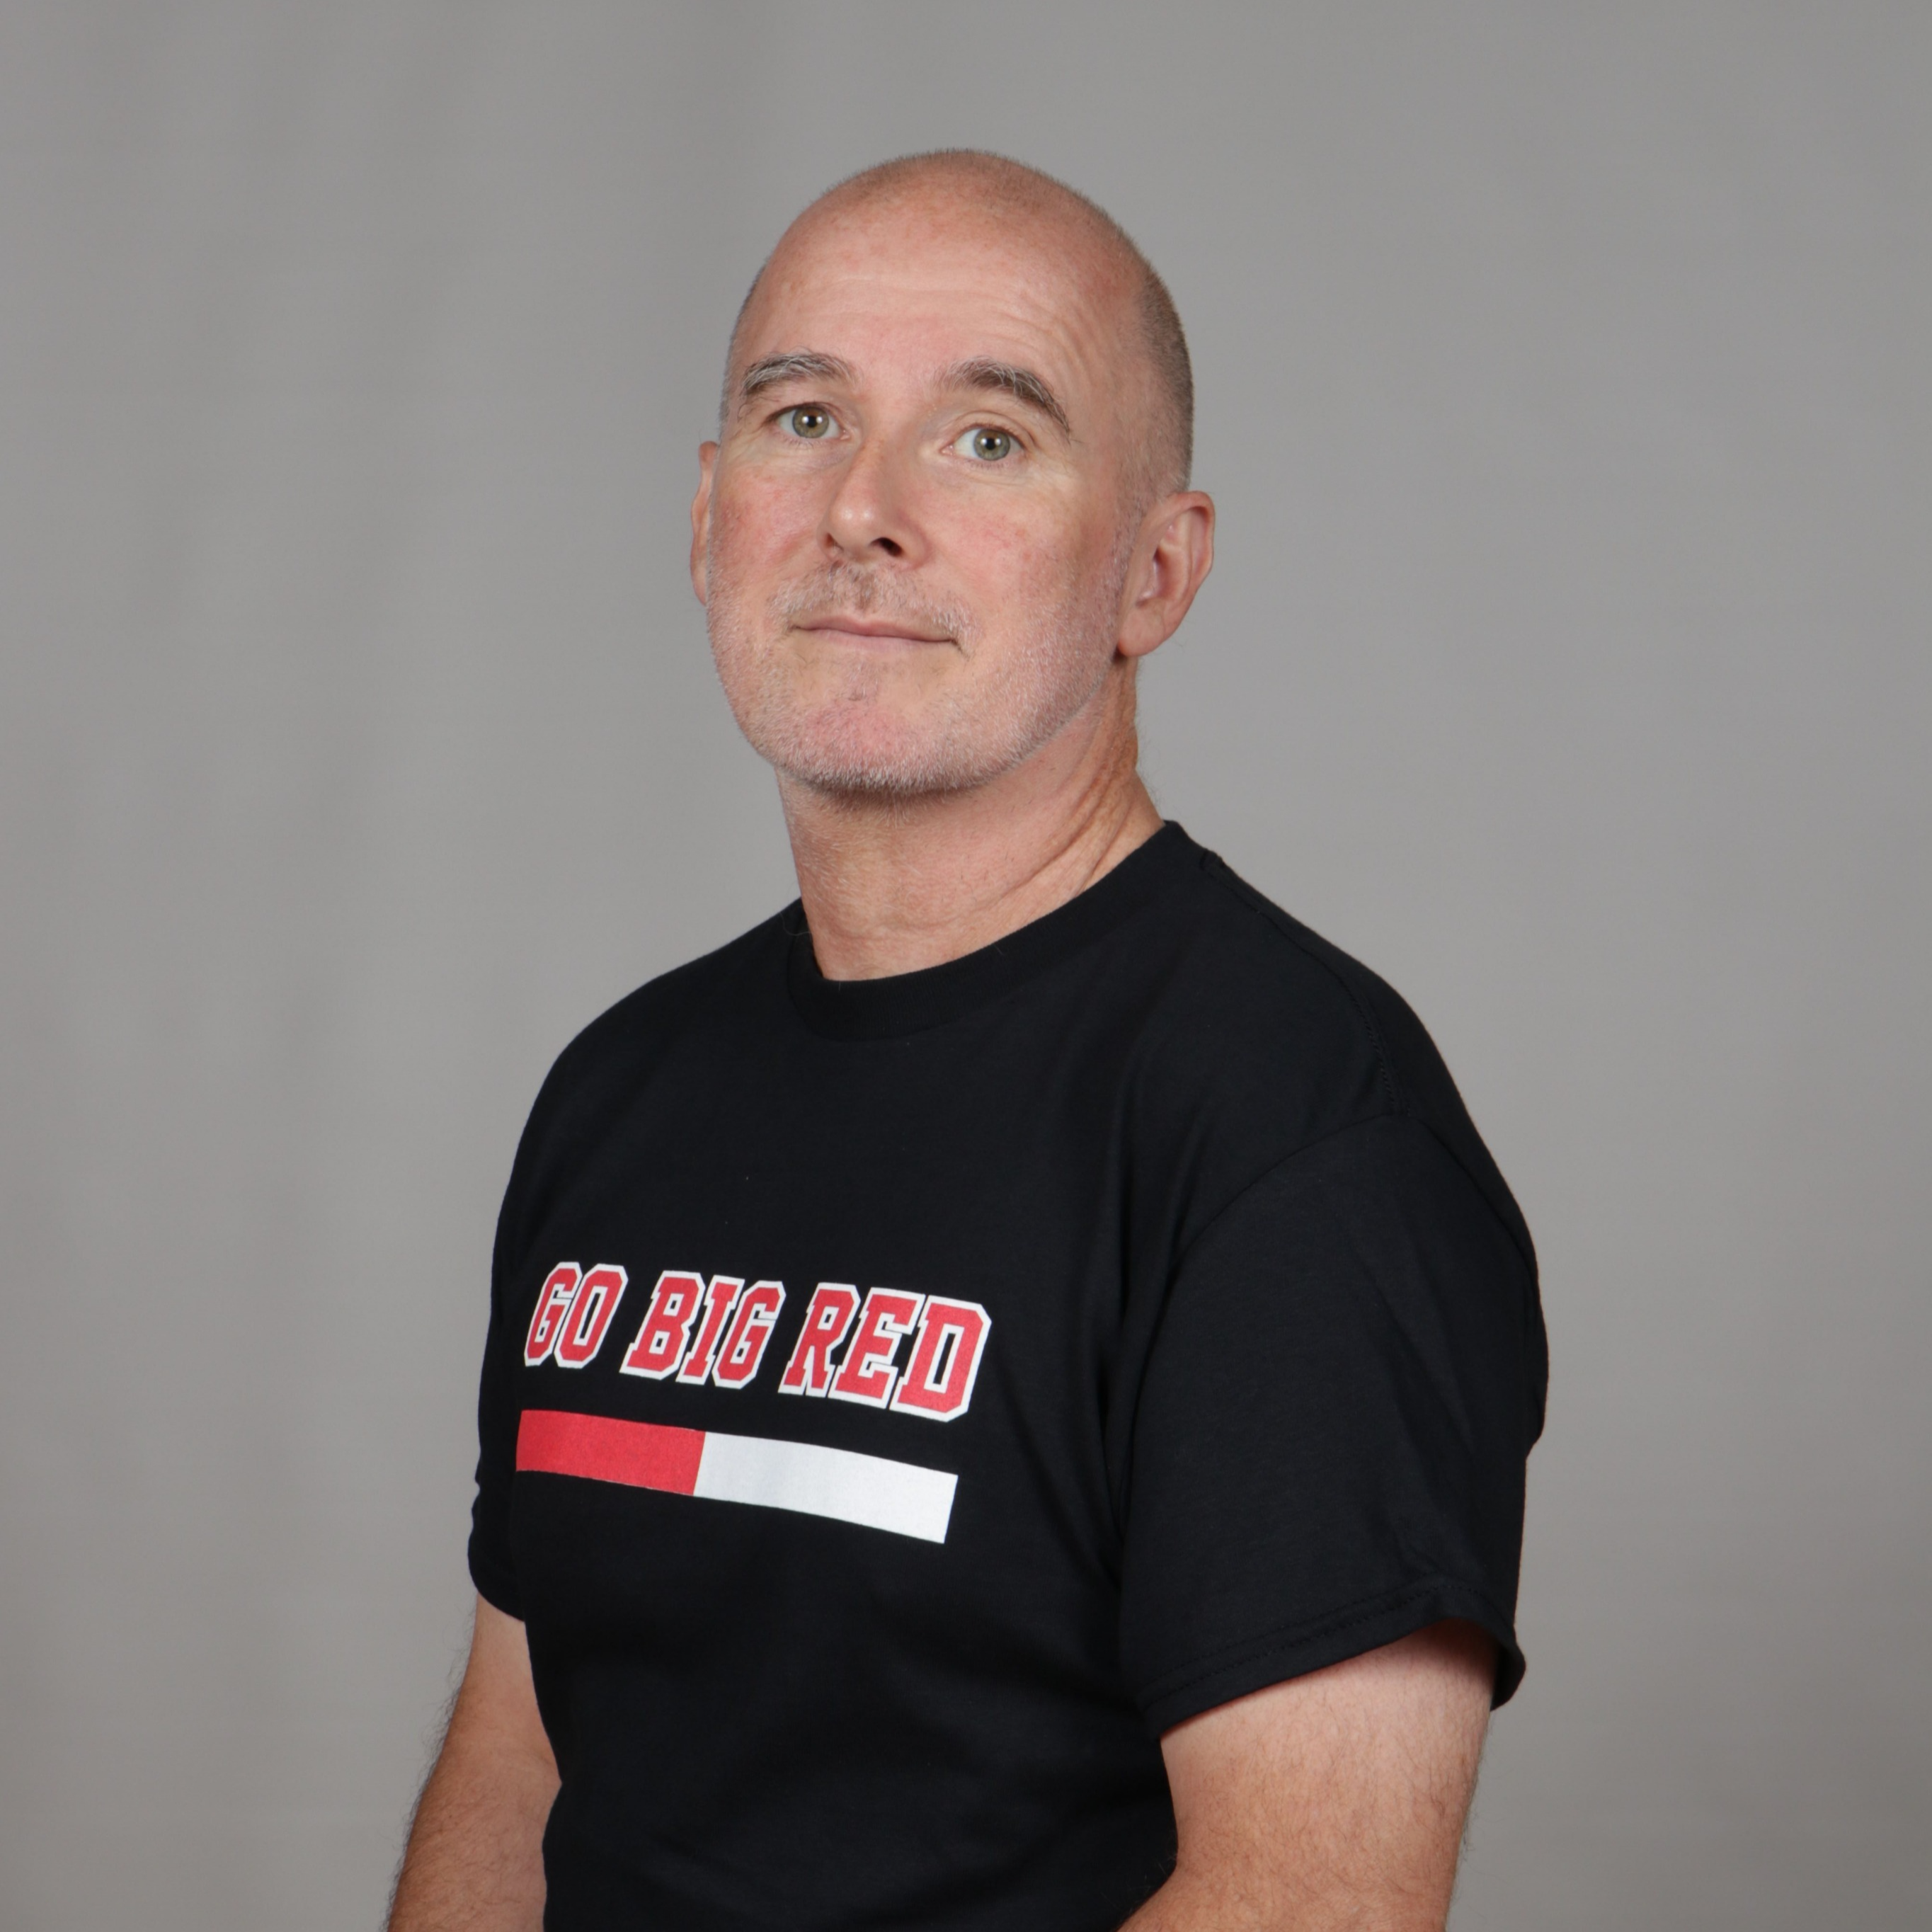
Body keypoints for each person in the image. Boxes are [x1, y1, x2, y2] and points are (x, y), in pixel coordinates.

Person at [389, 149, 1545, 1932]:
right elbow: (516, 1761)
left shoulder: (1298, 1139)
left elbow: (1305, 1902)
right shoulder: (622, 1090)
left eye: (987, 437)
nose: (862, 508)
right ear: (705, 516)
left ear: (1153, 571)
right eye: (801, 418)